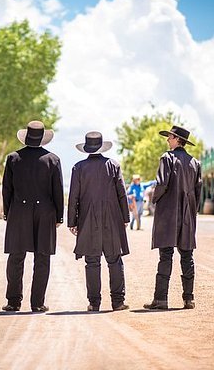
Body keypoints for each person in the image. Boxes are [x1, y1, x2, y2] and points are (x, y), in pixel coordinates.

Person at [2, 121, 64, 313]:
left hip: (19, 212)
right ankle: (37, 303)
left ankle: (13, 302)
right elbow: (58, 191)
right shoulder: (53, 160)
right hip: (45, 212)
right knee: (42, 258)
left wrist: (7, 212)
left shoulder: (13, 158)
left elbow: (7, 190)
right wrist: (59, 216)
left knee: (16, 257)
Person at [68, 131, 130, 312]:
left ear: (87, 148)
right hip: (112, 217)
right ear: (101, 147)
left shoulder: (78, 167)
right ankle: (118, 302)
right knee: (114, 259)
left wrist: (72, 221)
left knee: (92, 261)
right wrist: (125, 218)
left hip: (87, 218)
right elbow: (122, 194)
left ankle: (94, 303)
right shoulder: (113, 165)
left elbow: (74, 197)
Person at [145, 125, 202, 310]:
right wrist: (193, 211)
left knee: (166, 255)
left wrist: (155, 200)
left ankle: (161, 299)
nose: (167, 139)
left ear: (177, 139)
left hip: (168, 212)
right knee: (187, 256)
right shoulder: (195, 163)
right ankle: (189, 299)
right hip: (187, 213)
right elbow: (198, 190)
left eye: (170, 137)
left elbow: (161, 184)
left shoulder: (167, 158)